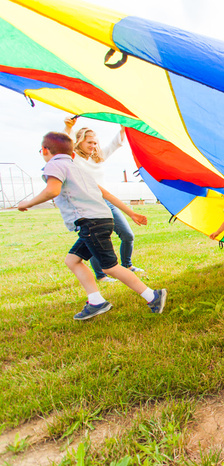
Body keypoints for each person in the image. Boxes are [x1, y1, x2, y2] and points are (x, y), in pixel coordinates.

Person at [17, 132, 167, 320]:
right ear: (72, 154)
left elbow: (53, 190)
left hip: (90, 222)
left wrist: (27, 203)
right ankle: (96, 301)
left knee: (110, 267)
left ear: (45, 150)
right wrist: (131, 213)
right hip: (101, 220)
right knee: (72, 260)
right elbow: (106, 193)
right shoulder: (77, 169)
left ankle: (152, 296)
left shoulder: (54, 164)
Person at [64, 116, 144, 282]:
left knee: (127, 235)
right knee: (94, 242)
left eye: (95, 143)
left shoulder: (97, 157)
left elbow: (115, 144)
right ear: (79, 142)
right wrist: (68, 127)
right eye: (89, 143)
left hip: (106, 202)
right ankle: (101, 275)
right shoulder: (74, 159)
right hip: (89, 206)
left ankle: (127, 265)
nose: (93, 146)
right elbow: (65, 145)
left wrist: (122, 128)